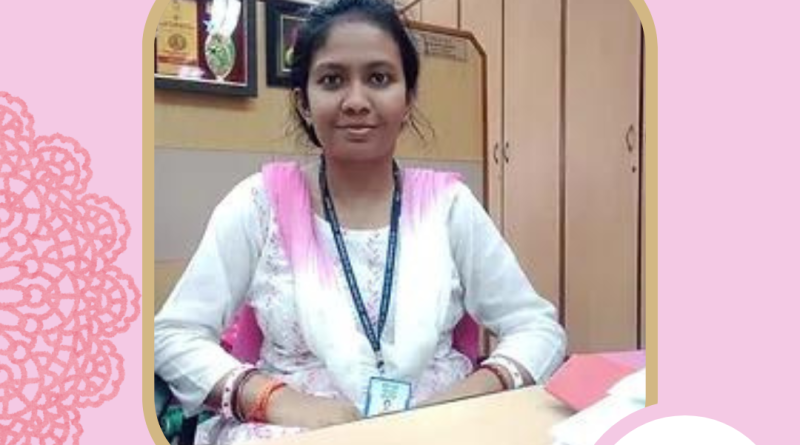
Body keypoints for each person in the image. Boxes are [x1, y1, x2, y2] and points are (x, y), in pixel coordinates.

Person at [154, 0, 566, 443]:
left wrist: (471, 394)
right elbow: (174, 335)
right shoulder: (258, 205)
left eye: (379, 78)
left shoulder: (449, 207)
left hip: (440, 429)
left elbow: (536, 327)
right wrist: (277, 400)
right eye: (332, 80)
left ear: (408, 99)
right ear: (304, 102)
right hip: (295, 431)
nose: (355, 101)